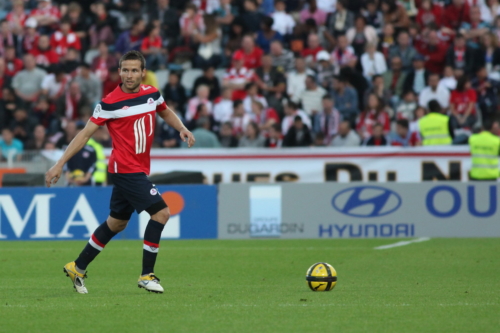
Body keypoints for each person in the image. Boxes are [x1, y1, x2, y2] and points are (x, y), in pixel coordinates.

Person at [45, 51, 195, 295]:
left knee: (117, 223)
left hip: (137, 168)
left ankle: (77, 266)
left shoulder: (152, 94)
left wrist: (182, 128)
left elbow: (164, 110)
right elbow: (84, 135)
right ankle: (147, 275)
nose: (129, 75)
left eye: (134, 70)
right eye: (125, 70)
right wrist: (60, 163)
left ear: (143, 73)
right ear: (119, 72)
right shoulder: (109, 103)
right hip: (125, 169)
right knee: (161, 213)